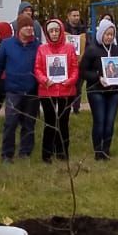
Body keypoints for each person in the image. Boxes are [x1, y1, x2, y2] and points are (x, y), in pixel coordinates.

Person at [0, 11, 40, 162]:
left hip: (32, 91)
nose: (29, 29)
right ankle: (7, 154)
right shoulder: (7, 45)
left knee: (29, 123)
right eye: (25, 26)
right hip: (13, 91)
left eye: (31, 26)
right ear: (19, 28)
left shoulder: (37, 46)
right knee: (10, 123)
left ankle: (25, 152)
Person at [34, 18, 79, 162]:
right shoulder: (42, 49)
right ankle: (47, 154)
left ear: (61, 31)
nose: (54, 33)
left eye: (56, 30)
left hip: (66, 91)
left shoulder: (69, 48)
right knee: (50, 123)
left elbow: (74, 68)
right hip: (47, 91)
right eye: (51, 31)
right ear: (47, 33)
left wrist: (70, 81)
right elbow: (37, 69)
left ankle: (62, 152)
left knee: (64, 122)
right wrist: (45, 80)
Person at [80, 20, 118, 160]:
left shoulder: (117, 50)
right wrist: (97, 77)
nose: (109, 37)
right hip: (96, 91)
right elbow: (83, 71)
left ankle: (106, 149)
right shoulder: (92, 50)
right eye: (107, 34)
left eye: (112, 34)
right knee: (100, 120)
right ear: (101, 34)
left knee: (110, 121)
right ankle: (98, 151)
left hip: (113, 92)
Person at [65, 7, 87, 113]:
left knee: (78, 87)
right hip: (67, 62)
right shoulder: (64, 30)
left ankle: (76, 108)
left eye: (78, 15)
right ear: (68, 16)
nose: (76, 18)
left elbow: (88, 45)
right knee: (68, 86)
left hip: (80, 62)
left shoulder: (83, 30)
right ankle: (66, 107)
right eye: (74, 15)